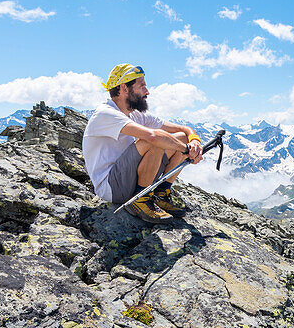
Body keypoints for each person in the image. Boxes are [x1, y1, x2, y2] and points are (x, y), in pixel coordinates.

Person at [82, 63, 203, 222]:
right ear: (124, 88)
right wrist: (186, 150)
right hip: (112, 188)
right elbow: (153, 137)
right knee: (155, 140)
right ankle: (140, 200)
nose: (147, 91)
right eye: (142, 86)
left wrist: (193, 140)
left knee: (179, 137)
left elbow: (183, 129)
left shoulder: (135, 115)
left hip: (127, 179)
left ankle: (160, 194)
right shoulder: (105, 113)